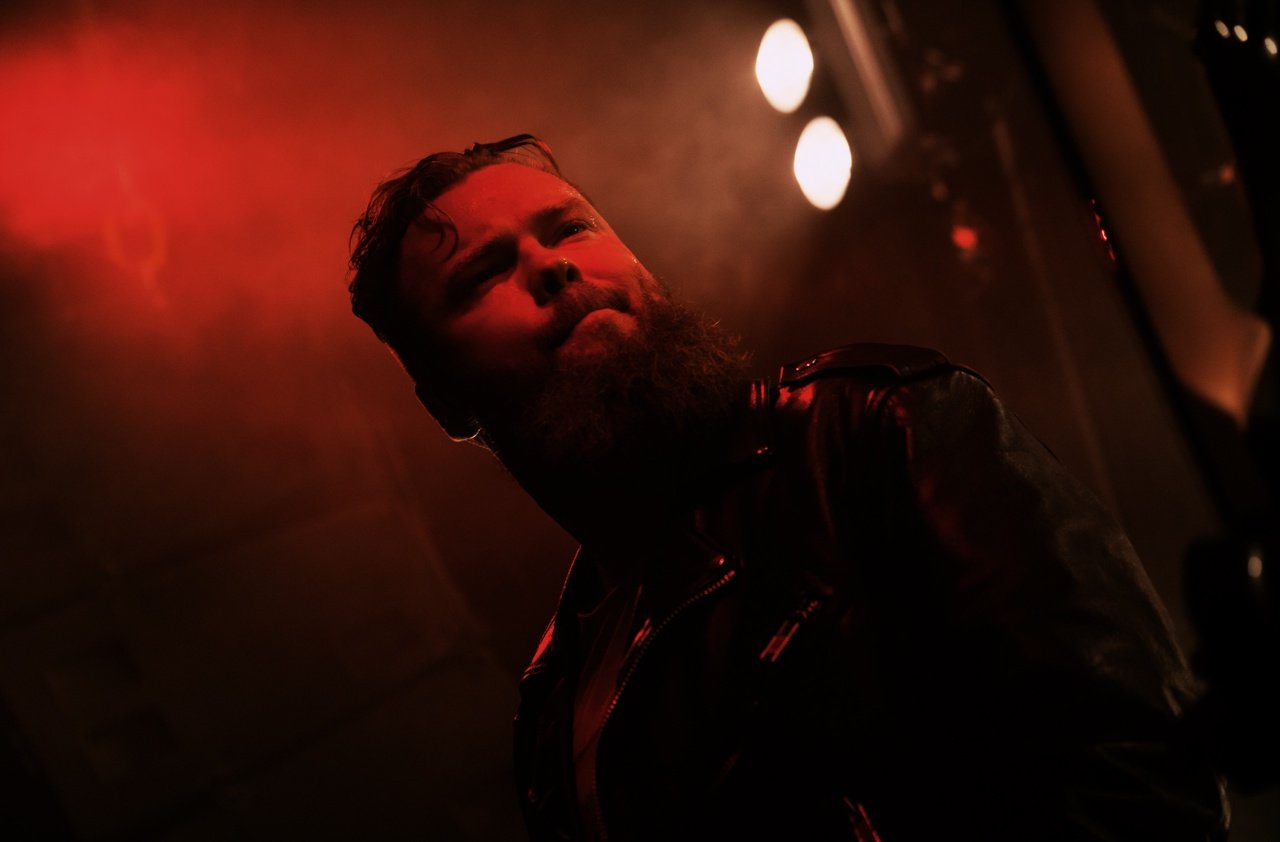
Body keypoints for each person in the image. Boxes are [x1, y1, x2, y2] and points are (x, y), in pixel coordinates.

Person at [348, 135, 1228, 841]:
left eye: (570, 227)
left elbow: (1139, 770)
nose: (553, 266)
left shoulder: (870, 430)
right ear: (444, 399)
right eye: (483, 273)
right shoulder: (551, 720)